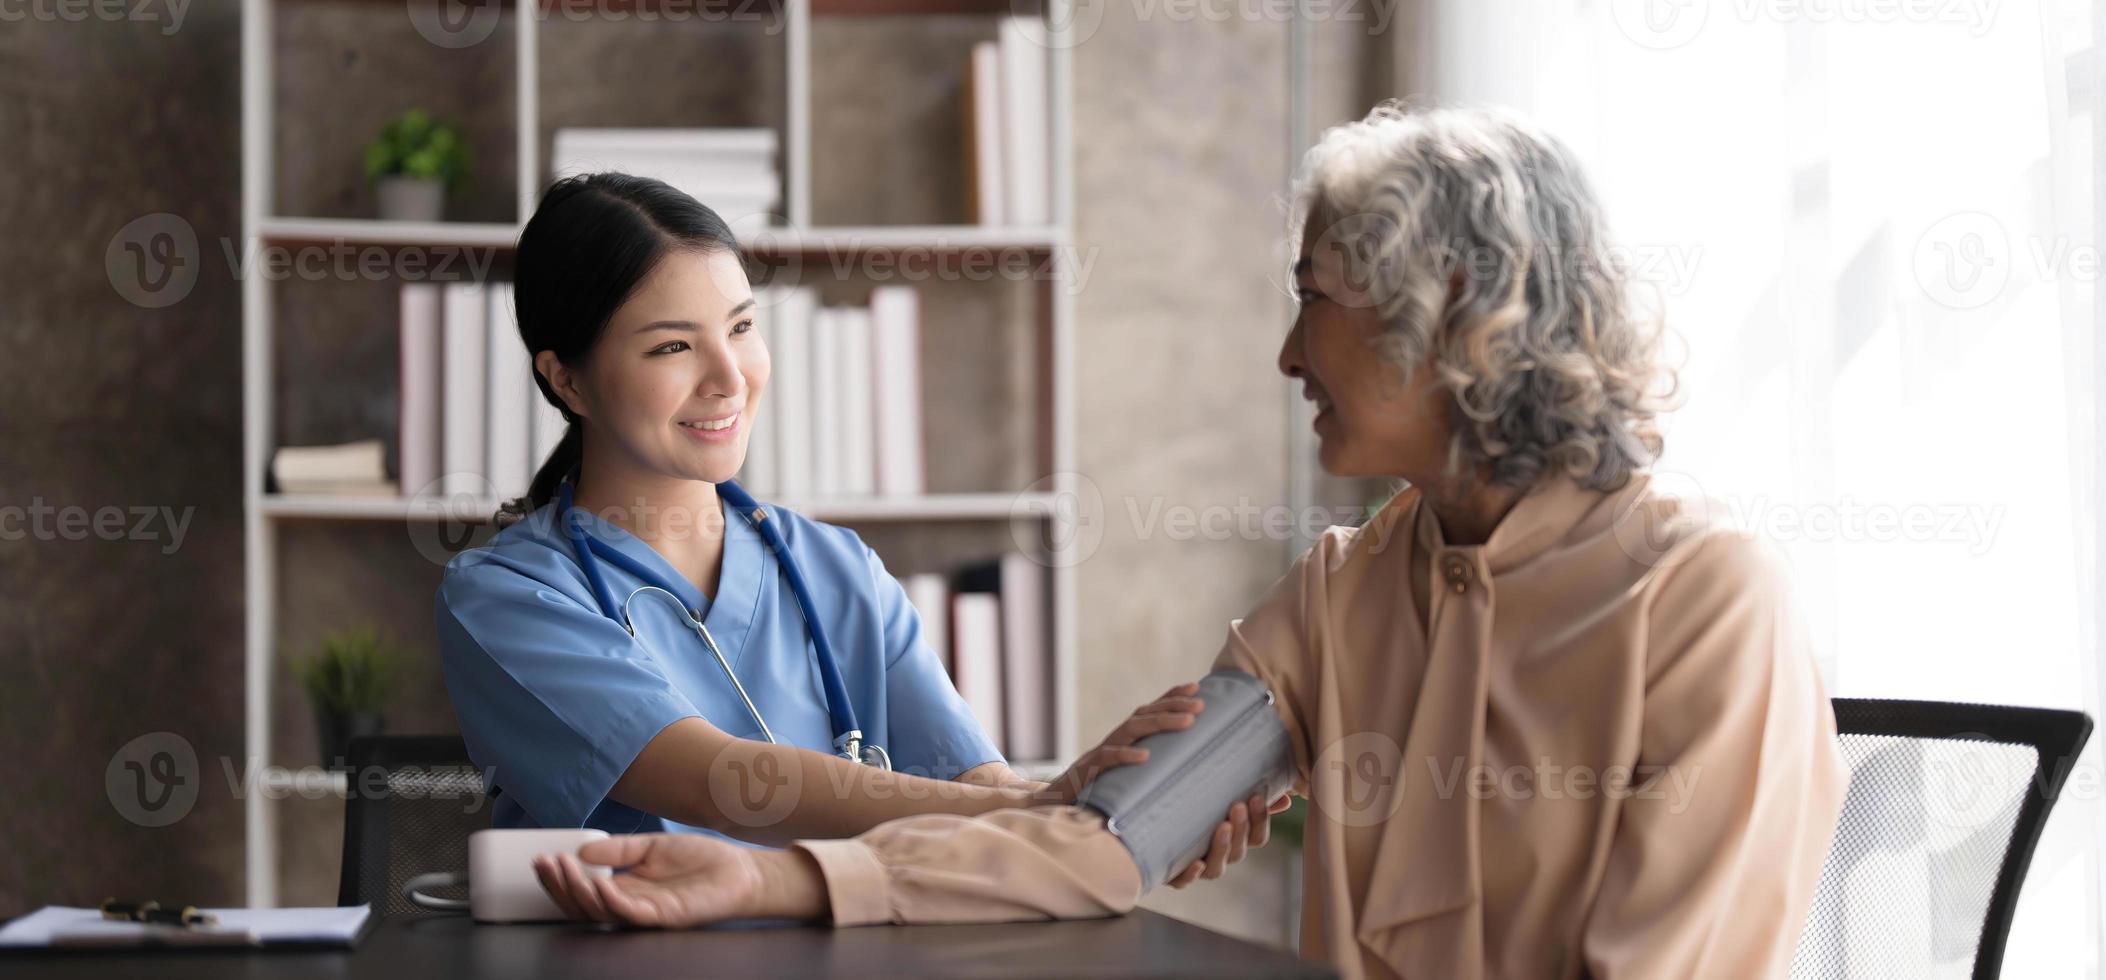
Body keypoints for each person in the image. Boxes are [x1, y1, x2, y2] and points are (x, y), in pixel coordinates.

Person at [532, 106, 1851, 980]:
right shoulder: (1343, 594)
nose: (1288, 352)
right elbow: (1106, 838)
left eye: (1315, 301)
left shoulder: (1704, 602)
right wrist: (773, 879)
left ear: (1447, 320)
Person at [436, 172, 1275, 878]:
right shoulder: (506, 597)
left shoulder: (833, 567)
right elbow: (719, 781)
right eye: (671, 348)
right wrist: (1047, 804)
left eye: (741, 328)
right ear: (568, 380)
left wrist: (1126, 817)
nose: (731, 378)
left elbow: (976, 782)